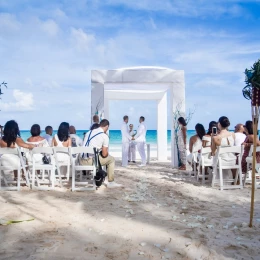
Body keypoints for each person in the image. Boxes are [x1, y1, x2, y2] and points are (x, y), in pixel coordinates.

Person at [80, 119, 122, 188]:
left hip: (81, 160)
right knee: (111, 159)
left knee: (97, 156)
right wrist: (106, 153)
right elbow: (104, 154)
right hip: (90, 161)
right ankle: (111, 182)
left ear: (100, 125)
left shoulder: (89, 132)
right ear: (107, 126)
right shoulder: (104, 136)